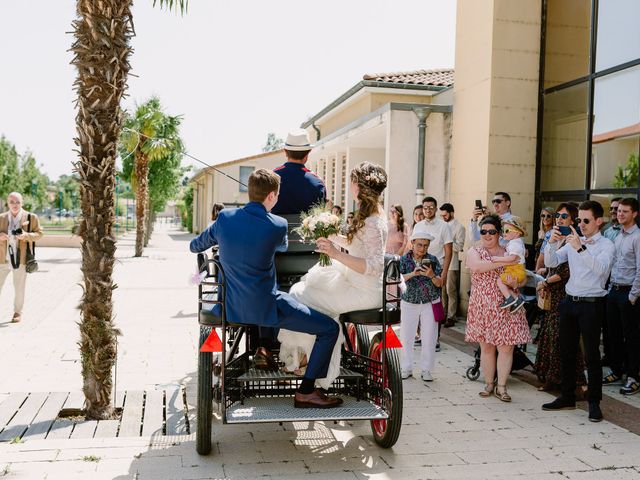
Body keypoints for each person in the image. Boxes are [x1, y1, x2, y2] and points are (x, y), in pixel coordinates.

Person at [189, 169, 342, 408]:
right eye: (277, 195)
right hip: (267, 308)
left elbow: (195, 245)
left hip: (229, 308)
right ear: (271, 196)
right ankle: (307, 391)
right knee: (330, 328)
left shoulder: (225, 218)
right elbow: (280, 249)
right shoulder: (278, 225)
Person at [278, 162, 388, 389]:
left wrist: (335, 254)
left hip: (364, 291)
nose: (350, 186)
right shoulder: (369, 214)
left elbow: (375, 266)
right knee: (301, 289)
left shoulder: (374, 223)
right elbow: (354, 243)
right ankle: (309, 356)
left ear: (360, 186)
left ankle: (312, 362)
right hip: (352, 280)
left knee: (303, 298)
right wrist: (331, 236)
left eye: (352, 181)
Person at [542, 201, 615, 422]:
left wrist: (580, 248)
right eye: (579, 220)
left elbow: (602, 271)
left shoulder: (606, 245)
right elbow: (551, 261)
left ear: (598, 221)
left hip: (592, 304)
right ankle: (567, 396)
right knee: (567, 352)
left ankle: (594, 403)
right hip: (569, 301)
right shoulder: (574, 240)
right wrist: (553, 243)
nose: (581, 224)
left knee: (592, 356)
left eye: (586, 220)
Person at [465, 215, 531, 402]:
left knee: (506, 348)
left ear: (499, 233)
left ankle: (502, 387)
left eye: (491, 231)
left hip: (506, 305)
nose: (487, 235)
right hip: (483, 306)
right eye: (483, 231)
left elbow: (523, 277)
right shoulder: (475, 251)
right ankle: (488, 384)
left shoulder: (510, 251)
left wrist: (515, 281)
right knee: (486, 347)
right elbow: (477, 267)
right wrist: (505, 261)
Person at [534, 202, 586, 393]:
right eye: (558, 215)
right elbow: (549, 262)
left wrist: (546, 282)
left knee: (562, 339)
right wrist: (551, 242)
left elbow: (565, 271)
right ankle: (552, 377)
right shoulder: (557, 239)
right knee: (549, 336)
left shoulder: (576, 240)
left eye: (564, 216)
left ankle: (576, 382)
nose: (559, 219)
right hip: (553, 294)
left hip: (566, 294)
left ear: (573, 220)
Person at [603, 197, 640, 395]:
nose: (620, 214)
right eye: (619, 211)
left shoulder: (637, 237)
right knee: (613, 335)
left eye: (625, 211)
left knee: (631, 337)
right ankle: (616, 370)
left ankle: (633, 377)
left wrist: (632, 296)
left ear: (634, 214)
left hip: (628, 294)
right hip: (613, 291)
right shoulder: (617, 236)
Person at [399, 226, 443, 382]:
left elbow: (439, 283)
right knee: (406, 336)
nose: (422, 248)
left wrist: (431, 275)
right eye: (419, 245)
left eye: (425, 245)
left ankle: (426, 370)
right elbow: (397, 280)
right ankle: (406, 367)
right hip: (409, 301)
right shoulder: (404, 260)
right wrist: (413, 273)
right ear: (412, 243)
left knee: (429, 337)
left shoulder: (433, 260)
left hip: (429, 302)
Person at [0, 192, 43, 323]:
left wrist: (26, 235)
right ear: (7, 203)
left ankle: (17, 312)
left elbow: (39, 233)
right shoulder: (1, 217)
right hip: (2, 258)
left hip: (21, 259)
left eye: (17, 202)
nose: (14, 205)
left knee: (19, 287)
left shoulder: (31, 217)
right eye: (12, 202)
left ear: (22, 203)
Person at [418, 197, 452, 352]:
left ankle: (435, 338)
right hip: (419, 267)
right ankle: (421, 336)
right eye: (425, 207)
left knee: (435, 304)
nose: (428, 210)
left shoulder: (444, 226)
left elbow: (448, 251)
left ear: (436, 208)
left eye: (431, 207)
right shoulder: (418, 225)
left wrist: (444, 273)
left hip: (436, 268)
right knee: (419, 302)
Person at [271, 129, 326, 215]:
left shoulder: (271, 177)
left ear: (285, 151)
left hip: (275, 228)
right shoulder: (318, 182)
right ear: (308, 152)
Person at [493, 217, 527, 313]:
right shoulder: (515, 243)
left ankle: (509, 299)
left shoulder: (515, 244)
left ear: (517, 233)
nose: (504, 233)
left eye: (507, 231)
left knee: (500, 281)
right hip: (516, 270)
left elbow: (512, 258)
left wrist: (498, 259)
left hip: (515, 269)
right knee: (506, 285)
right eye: (503, 231)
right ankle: (517, 300)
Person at [439, 203, 465, 327]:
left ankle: (451, 316)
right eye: (442, 215)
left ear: (452, 213)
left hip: (452, 263)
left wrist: (447, 243)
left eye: (445, 215)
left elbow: (460, 246)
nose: (443, 217)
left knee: (451, 290)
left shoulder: (459, 227)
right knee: (442, 290)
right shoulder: (441, 226)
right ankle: (443, 314)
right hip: (441, 262)